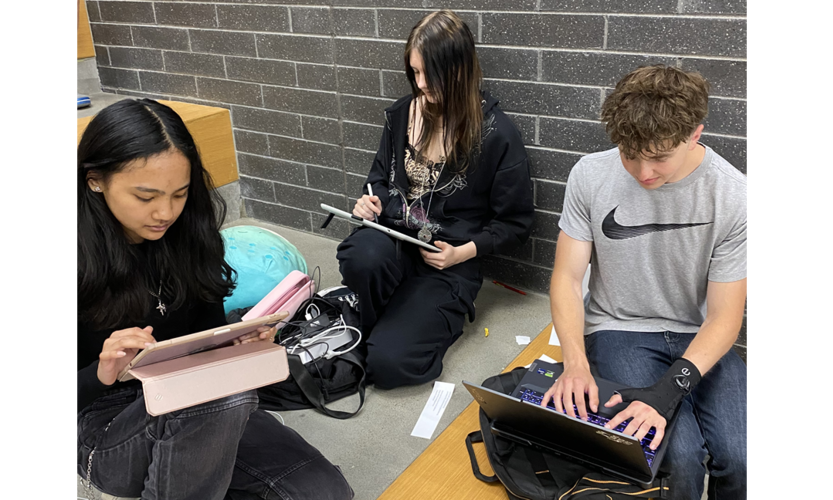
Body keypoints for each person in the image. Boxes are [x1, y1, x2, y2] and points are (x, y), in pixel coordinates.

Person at [76, 98, 354, 500]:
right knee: (221, 395)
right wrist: (100, 372)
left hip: (201, 403)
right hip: (106, 425)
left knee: (326, 493)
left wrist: (236, 345)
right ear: (95, 180)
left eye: (180, 193)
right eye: (145, 196)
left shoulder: (188, 235)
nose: (165, 212)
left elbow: (205, 334)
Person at [541, 65, 747, 499]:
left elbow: (726, 318)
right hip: (620, 328)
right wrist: (576, 363)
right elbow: (567, 276)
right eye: (629, 154)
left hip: (699, 333)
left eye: (658, 157)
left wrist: (670, 389)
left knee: (741, 455)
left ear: (695, 133)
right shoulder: (589, 175)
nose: (642, 171)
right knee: (679, 456)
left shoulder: (733, 195)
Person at [336, 10, 534, 389]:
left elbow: (515, 224)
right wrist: (369, 203)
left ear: (459, 71)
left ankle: (393, 318)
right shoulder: (401, 114)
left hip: (448, 259)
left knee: (388, 365)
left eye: (431, 74)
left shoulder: (497, 135)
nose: (421, 84)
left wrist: (463, 253)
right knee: (362, 256)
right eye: (415, 73)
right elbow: (378, 179)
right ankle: (383, 310)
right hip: (392, 236)